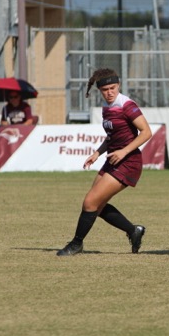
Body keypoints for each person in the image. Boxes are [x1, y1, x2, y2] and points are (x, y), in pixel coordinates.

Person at [56, 68, 152, 256]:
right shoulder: (107, 107)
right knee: (96, 207)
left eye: (113, 88)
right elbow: (111, 137)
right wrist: (97, 153)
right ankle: (134, 231)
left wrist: (124, 151)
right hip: (112, 159)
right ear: (99, 90)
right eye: (105, 89)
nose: (109, 92)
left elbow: (147, 132)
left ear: (119, 85)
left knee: (90, 202)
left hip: (128, 161)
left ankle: (76, 243)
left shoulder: (127, 105)